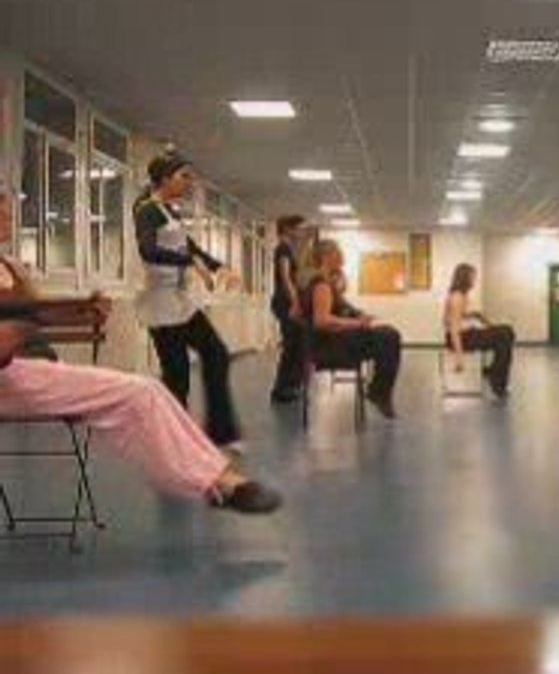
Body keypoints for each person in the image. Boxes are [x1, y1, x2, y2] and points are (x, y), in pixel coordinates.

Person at [0, 275, 281, 514]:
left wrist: (81, 310)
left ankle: (215, 476)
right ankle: (212, 480)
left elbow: (33, 316)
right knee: (140, 395)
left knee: (150, 390)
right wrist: (16, 332)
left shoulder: (10, 265)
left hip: (31, 369)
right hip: (11, 379)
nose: (7, 225)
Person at [133, 151, 245, 451]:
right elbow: (147, 251)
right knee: (177, 376)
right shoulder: (148, 211)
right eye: (183, 176)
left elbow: (192, 248)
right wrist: (188, 261)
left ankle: (221, 432)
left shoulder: (170, 212)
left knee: (216, 354)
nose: (188, 182)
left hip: (180, 301)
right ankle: (174, 440)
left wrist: (219, 267)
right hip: (161, 305)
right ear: (164, 178)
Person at [302, 239, 402, 419]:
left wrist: (358, 316)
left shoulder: (321, 283)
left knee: (387, 336)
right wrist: (356, 324)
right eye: (338, 253)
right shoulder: (321, 285)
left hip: (331, 342)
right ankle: (379, 392)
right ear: (326, 257)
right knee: (390, 336)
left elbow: (295, 314)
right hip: (330, 348)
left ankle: (379, 391)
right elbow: (321, 321)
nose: (341, 257)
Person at [443, 263, 515, 398]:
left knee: (506, 333)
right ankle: (496, 378)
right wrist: (459, 356)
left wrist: (477, 316)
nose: (474, 280)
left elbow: (460, 316)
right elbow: (453, 328)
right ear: (464, 278)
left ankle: (495, 373)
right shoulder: (457, 297)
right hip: (461, 338)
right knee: (505, 334)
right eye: (472, 277)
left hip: (467, 334)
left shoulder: (461, 295)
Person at [270, 215, 306, 404]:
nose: (300, 232)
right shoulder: (283, 249)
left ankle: (291, 385)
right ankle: (281, 389)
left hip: (288, 301)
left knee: (297, 343)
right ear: (287, 229)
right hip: (285, 302)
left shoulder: (288, 249)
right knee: (291, 345)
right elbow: (285, 278)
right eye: (298, 228)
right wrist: (295, 302)